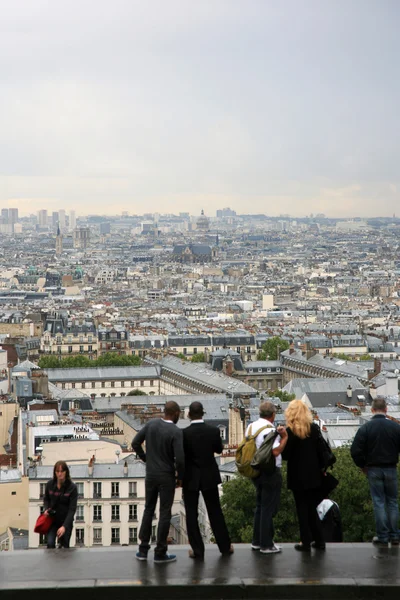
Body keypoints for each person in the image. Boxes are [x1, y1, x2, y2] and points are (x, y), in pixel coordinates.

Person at [132, 400, 185, 563]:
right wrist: (179, 477)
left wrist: (146, 459)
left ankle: (143, 550)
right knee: (164, 512)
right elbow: (181, 459)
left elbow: (135, 443)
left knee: (149, 509)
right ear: (176, 414)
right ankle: (160, 552)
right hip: (166, 476)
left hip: (151, 474)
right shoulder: (176, 431)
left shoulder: (151, 424)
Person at [183, 401, 233, 560]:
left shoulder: (183, 433)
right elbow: (219, 449)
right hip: (209, 475)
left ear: (189, 415)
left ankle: (198, 550)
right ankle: (225, 547)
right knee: (215, 512)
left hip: (191, 477)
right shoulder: (213, 431)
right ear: (203, 413)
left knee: (191, 514)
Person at [351, 397, 400, 547]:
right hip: (391, 468)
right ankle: (395, 536)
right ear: (386, 410)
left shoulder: (366, 428)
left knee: (379, 502)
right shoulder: (395, 427)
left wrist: (362, 465)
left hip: (373, 469)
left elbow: (355, 451)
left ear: (372, 410)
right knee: (392, 502)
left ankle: (383, 536)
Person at [282, 400, 325, 552]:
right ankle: (319, 540)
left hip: (297, 476)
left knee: (301, 508)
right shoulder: (313, 429)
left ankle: (305, 541)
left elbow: (285, 455)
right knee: (312, 507)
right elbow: (322, 452)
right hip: (313, 475)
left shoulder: (290, 431)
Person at [246, 401, 288, 554]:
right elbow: (275, 452)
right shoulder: (269, 429)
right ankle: (266, 544)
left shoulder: (251, 427)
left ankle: (257, 541)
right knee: (268, 509)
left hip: (255, 470)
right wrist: (284, 438)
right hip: (270, 471)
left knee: (260, 506)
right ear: (273, 415)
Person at [43, 460, 78, 549]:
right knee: (50, 544)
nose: (60, 474)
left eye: (62, 471)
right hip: (52, 520)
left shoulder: (72, 488)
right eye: (57, 471)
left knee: (64, 546)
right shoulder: (50, 484)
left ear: (66, 472)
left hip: (65, 521)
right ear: (55, 473)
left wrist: (64, 526)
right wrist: (46, 509)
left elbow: (72, 509)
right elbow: (46, 499)